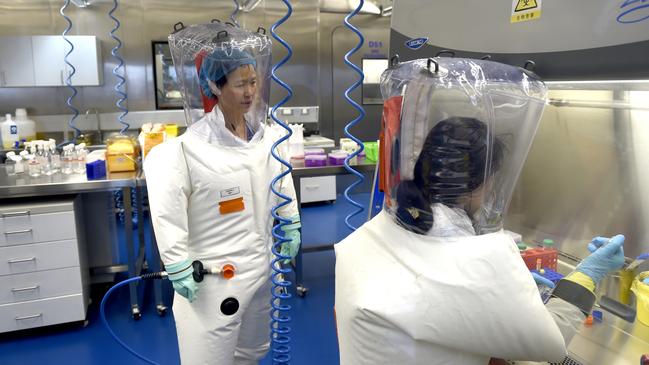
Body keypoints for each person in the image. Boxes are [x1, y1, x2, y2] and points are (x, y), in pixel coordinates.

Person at [335, 58, 626, 365]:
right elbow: (550, 343)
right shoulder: (475, 256)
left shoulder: (382, 228)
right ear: (481, 182)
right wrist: (587, 275)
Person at [145, 23, 300, 365]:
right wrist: (176, 263)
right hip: (213, 280)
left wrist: (291, 223)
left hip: (262, 269)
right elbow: (166, 212)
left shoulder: (270, 140)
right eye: (240, 84)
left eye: (253, 82)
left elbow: (282, 184)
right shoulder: (183, 151)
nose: (249, 92)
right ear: (215, 86)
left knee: (252, 352)